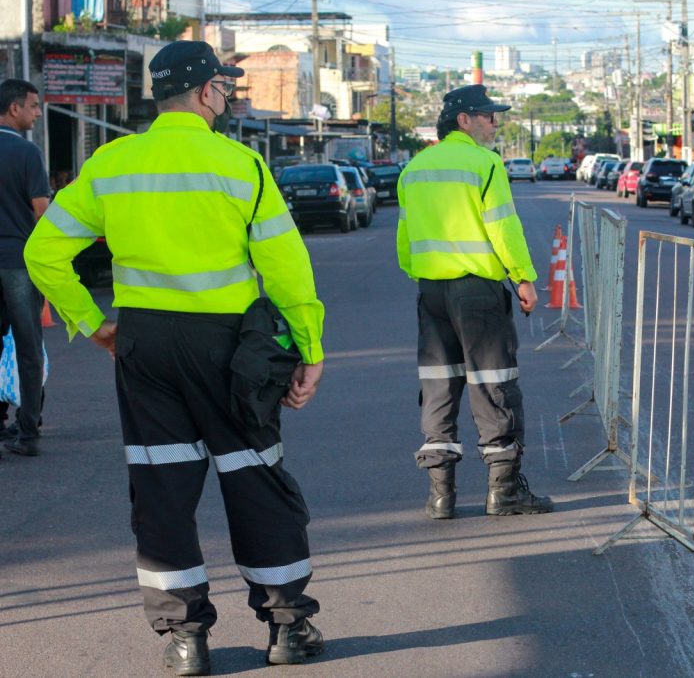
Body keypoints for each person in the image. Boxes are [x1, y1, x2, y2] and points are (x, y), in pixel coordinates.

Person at [23, 41, 326, 675]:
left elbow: (43, 252)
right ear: (207, 91)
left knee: (161, 488)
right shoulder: (241, 164)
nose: (227, 96)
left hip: (146, 347)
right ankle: (288, 630)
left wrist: (92, 322)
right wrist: (308, 346)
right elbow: (286, 266)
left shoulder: (112, 163)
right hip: (231, 351)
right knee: (255, 478)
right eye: (225, 85)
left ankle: (186, 639)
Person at [397, 84, 553, 519]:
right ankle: (503, 492)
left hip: (431, 292)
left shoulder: (415, 168)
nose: (494, 122)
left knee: (438, 386)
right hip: (477, 293)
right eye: (487, 115)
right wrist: (522, 278)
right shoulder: (484, 163)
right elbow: (504, 228)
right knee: (493, 383)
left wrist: (426, 275)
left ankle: (440, 496)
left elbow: (405, 240)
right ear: (463, 120)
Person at [0, 79, 48, 458]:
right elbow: (41, 214)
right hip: (19, 261)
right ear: (14, 108)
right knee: (28, 348)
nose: (37, 112)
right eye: (33, 105)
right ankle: (28, 431)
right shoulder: (27, 153)